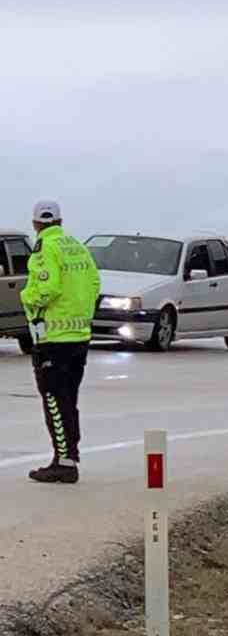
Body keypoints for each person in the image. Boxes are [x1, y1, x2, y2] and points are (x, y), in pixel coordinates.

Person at [20, 200, 101, 485]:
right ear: (60, 221)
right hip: (79, 335)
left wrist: (27, 298)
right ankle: (68, 457)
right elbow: (95, 283)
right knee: (69, 398)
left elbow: (48, 288)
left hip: (53, 338)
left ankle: (64, 463)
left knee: (54, 398)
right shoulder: (77, 246)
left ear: (36, 224)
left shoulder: (45, 248)